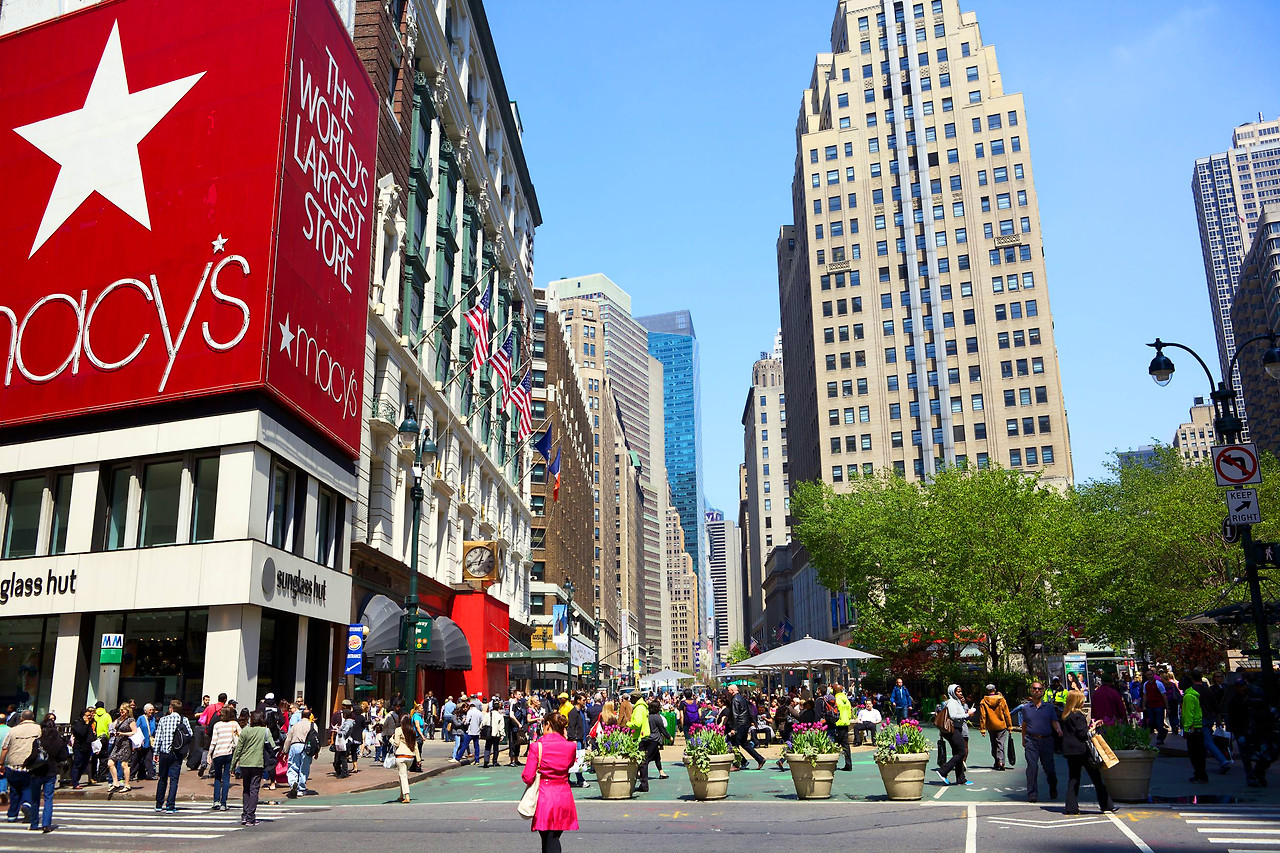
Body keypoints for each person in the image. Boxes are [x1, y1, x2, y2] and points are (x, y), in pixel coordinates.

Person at [522, 711, 579, 853]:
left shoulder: (537, 746)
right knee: (553, 837)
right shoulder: (571, 746)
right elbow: (570, 765)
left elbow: (527, 777)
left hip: (545, 796)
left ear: (547, 724)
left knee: (548, 838)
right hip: (564, 795)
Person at [1060, 690, 1115, 814]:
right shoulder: (1078, 715)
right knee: (1096, 777)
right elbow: (1083, 734)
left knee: (1073, 778)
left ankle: (1071, 807)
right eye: (1082, 700)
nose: (1083, 702)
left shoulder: (1065, 715)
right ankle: (1106, 804)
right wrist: (1093, 727)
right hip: (1082, 750)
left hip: (1070, 751)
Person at [25, 716, 67, 833]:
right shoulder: (59, 742)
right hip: (51, 771)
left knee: (35, 799)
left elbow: (33, 756)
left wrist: (26, 763)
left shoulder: (38, 741)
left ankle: (34, 823)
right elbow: (63, 757)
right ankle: (46, 824)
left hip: (37, 772)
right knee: (48, 798)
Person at [230, 710, 272, 827]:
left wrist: (233, 765)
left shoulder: (245, 730)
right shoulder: (265, 731)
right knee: (254, 790)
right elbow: (272, 746)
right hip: (257, 763)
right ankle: (250, 816)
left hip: (244, 763)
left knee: (246, 789)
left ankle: (245, 814)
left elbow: (238, 749)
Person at [1021, 681, 1061, 802]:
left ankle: (1053, 787)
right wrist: (1023, 739)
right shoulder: (1026, 708)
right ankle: (1032, 794)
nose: (1037, 691)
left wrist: (1058, 729)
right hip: (1031, 740)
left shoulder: (1049, 707)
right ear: (1031, 690)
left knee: (1049, 768)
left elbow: (1054, 721)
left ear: (1043, 691)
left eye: (1039, 689)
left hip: (1046, 740)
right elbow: (1024, 724)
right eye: (1034, 689)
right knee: (1032, 767)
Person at [153, 699, 193, 813]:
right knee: (174, 780)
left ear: (171, 708)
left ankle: (159, 804)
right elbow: (190, 734)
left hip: (164, 752)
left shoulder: (163, 719)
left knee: (162, 778)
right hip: (177, 752)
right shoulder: (183, 720)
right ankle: (170, 806)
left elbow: (158, 737)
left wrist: (156, 752)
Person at [1, 710, 41, 824]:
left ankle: (12, 815)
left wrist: (1, 763)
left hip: (13, 764)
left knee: (14, 790)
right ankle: (27, 805)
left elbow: (5, 748)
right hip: (31, 764)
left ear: (21, 718)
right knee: (28, 787)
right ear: (33, 717)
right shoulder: (38, 729)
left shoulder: (13, 730)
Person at [936, 684, 976, 786]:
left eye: (961, 691)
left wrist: (968, 713)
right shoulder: (952, 702)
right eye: (958, 691)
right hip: (953, 730)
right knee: (962, 752)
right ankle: (943, 771)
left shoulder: (957, 702)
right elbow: (953, 716)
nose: (960, 693)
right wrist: (967, 714)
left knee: (957, 752)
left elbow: (959, 715)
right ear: (953, 692)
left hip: (957, 728)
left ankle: (960, 778)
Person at [727, 684, 767, 771]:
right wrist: (752, 721)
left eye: (729, 690)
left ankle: (737, 764)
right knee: (744, 743)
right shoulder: (743, 698)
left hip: (739, 724)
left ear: (732, 691)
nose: (728, 692)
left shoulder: (735, 700)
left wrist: (733, 728)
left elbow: (735, 714)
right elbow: (749, 711)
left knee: (734, 744)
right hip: (745, 723)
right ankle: (759, 759)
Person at [208, 706, 241, 811]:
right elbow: (241, 736)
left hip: (218, 753)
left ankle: (216, 801)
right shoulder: (234, 724)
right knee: (226, 777)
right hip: (229, 753)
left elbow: (213, 741)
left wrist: (209, 754)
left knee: (217, 777)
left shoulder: (217, 725)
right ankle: (223, 803)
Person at [283, 709, 318, 798]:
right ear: (310, 716)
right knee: (304, 768)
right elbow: (316, 739)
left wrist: (285, 751)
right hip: (306, 747)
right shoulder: (313, 725)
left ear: (301, 716)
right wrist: (316, 751)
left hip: (294, 746)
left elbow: (288, 738)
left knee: (293, 766)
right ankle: (301, 788)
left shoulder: (295, 725)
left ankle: (293, 783)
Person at [978, 684, 1013, 771]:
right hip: (1001, 725)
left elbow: (983, 716)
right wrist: (1009, 726)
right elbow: (1007, 713)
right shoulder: (1001, 700)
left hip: (991, 726)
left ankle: (996, 760)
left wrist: (982, 728)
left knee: (993, 744)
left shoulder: (983, 701)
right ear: (995, 690)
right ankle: (1001, 761)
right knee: (1000, 743)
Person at [106, 703, 136, 794]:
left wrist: (123, 734)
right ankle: (115, 782)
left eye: (123, 710)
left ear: (127, 711)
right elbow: (111, 726)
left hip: (126, 743)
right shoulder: (118, 719)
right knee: (110, 763)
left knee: (124, 764)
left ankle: (127, 785)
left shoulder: (130, 720)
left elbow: (134, 732)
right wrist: (112, 731)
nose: (121, 711)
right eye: (120, 710)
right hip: (117, 743)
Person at [390, 713, 418, 803]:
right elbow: (415, 746)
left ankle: (407, 796)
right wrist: (418, 759)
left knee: (403, 776)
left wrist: (391, 739)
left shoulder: (398, 730)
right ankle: (401, 795)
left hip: (401, 756)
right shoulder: (412, 731)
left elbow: (396, 744)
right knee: (402, 775)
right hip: (411, 756)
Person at [69, 707, 94, 788]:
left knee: (84, 764)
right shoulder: (78, 723)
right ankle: (74, 782)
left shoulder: (90, 724)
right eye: (87, 715)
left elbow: (90, 735)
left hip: (87, 747)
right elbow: (82, 733)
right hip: (79, 746)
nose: (89, 717)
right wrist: (86, 724)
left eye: (90, 715)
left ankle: (76, 779)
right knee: (78, 763)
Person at [1142, 670, 1168, 745]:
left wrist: (1167, 706)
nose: (1149, 676)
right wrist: (1144, 705)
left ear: (1153, 674)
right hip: (1151, 706)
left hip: (1159, 706)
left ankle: (1160, 739)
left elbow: (1164, 695)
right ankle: (1163, 731)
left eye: (1150, 674)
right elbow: (1145, 695)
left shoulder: (1159, 684)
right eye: (1148, 675)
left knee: (1159, 722)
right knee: (1152, 722)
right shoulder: (1146, 684)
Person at [832, 684, 854, 771]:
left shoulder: (835, 700)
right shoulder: (846, 700)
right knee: (846, 745)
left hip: (837, 724)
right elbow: (849, 712)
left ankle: (832, 764)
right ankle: (848, 764)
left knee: (834, 745)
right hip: (845, 723)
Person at [483, 700, 506, 769]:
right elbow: (501, 727)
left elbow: (483, 723)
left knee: (487, 747)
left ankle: (486, 760)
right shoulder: (500, 716)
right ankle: (494, 761)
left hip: (488, 733)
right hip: (496, 734)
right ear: (498, 708)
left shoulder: (487, 714)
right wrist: (502, 734)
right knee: (495, 748)